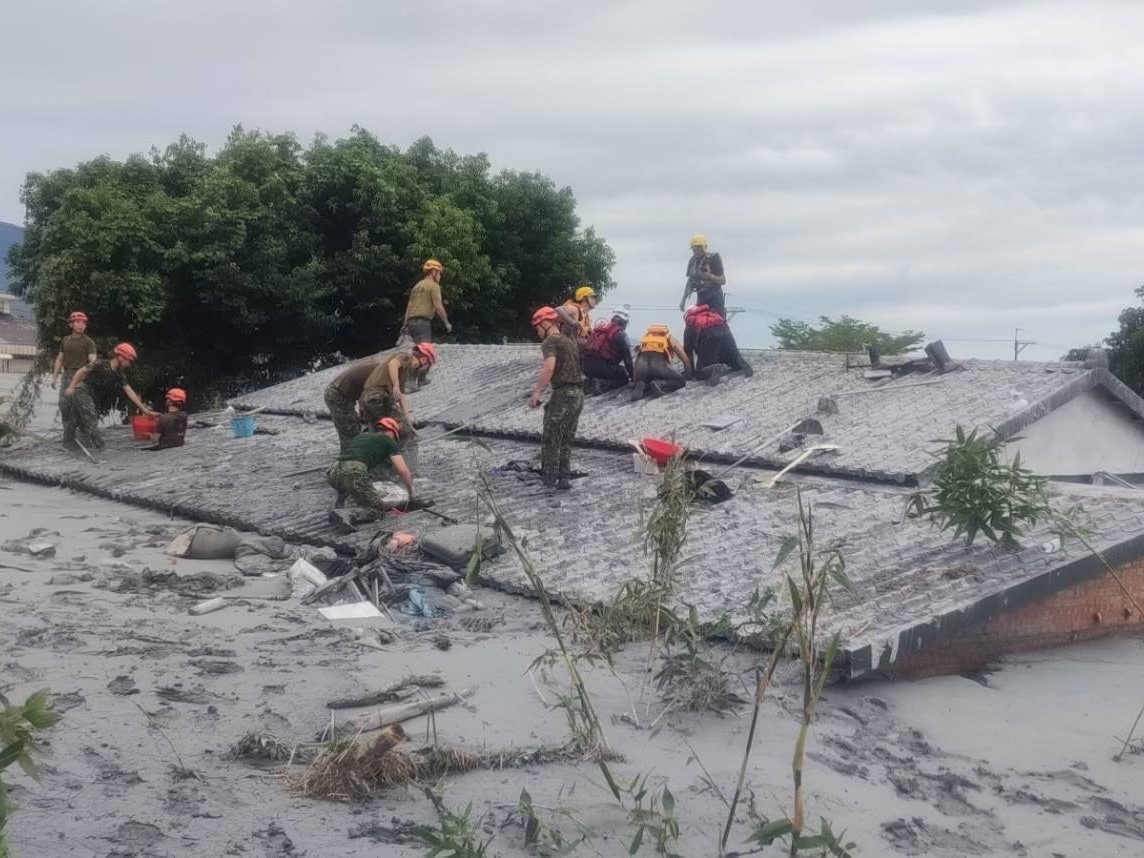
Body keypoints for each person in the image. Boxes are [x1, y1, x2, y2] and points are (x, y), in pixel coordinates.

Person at [62, 342, 156, 452]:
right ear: (120, 357)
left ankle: (67, 442)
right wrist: (71, 387)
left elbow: (129, 391)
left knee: (75, 418)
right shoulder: (100, 364)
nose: (129, 364)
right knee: (91, 420)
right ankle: (100, 448)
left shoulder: (119, 375)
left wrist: (144, 409)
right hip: (83, 391)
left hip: (93, 397)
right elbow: (81, 371)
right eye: (128, 360)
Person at [529, 306, 584, 490]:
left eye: (537, 326)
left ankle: (549, 481)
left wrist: (537, 392)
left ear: (545, 323)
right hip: (578, 395)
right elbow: (571, 317)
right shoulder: (569, 339)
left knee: (552, 438)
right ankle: (564, 479)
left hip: (563, 394)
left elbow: (549, 368)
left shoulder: (550, 342)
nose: (537, 331)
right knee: (566, 439)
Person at [326, 416, 415, 512]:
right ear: (391, 432)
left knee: (352, 485)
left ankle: (339, 505)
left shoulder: (362, 436)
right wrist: (410, 494)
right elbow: (403, 471)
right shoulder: (388, 440)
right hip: (353, 471)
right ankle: (350, 515)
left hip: (333, 472)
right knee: (376, 508)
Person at [359, 343, 436, 437]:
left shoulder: (404, 371)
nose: (427, 369)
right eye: (429, 365)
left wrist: (407, 420)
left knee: (378, 433)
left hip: (366, 399)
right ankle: (407, 449)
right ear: (424, 359)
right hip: (378, 396)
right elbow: (393, 364)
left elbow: (401, 396)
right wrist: (396, 385)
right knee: (404, 432)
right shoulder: (407, 358)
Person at [53, 311, 97, 445]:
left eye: (83, 323)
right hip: (66, 376)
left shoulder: (88, 342)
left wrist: (83, 377)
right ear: (71, 324)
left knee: (84, 408)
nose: (81, 325)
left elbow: (92, 361)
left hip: (81, 376)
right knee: (64, 406)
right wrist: (54, 378)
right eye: (78, 322)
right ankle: (68, 439)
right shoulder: (65, 340)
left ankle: (89, 437)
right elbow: (60, 359)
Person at [683, 305, 754, 385]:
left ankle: (714, 368)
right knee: (734, 363)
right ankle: (738, 360)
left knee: (699, 373)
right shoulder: (713, 315)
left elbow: (688, 355)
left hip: (709, 338)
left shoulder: (690, 325)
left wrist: (690, 375)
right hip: (726, 333)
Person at [323, 355, 385, 445]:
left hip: (342, 393)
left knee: (355, 428)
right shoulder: (379, 374)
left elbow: (363, 392)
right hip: (336, 394)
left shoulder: (380, 370)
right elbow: (369, 402)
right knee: (351, 434)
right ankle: (351, 455)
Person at [631, 324, 692, 400]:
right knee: (681, 381)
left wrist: (635, 381)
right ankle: (659, 384)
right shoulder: (669, 337)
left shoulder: (646, 339)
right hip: (658, 365)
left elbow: (637, 361)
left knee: (648, 378)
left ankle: (641, 384)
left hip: (641, 367)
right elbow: (686, 360)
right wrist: (689, 376)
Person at [581, 307, 634, 394]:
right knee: (623, 376)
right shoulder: (620, 334)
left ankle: (590, 381)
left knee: (606, 370)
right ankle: (602, 383)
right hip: (602, 366)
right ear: (624, 323)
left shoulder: (600, 329)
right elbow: (628, 360)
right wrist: (633, 377)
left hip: (586, 366)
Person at [402, 259, 452, 345]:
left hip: (410, 323)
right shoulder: (433, 286)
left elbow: (409, 307)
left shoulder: (416, 286)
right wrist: (446, 322)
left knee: (414, 350)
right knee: (424, 350)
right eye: (439, 273)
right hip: (422, 323)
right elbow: (438, 306)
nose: (440, 276)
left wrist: (405, 324)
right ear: (433, 272)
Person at [679, 234, 726, 316]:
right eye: (694, 250)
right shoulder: (692, 261)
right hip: (701, 295)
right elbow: (690, 281)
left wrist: (710, 276)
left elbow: (723, 280)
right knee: (699, 322)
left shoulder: (714, 258)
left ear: (704, 247)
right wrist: (683, 300)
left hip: (715, 295)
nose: (696, 252)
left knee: (717, 321)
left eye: (699, 249)